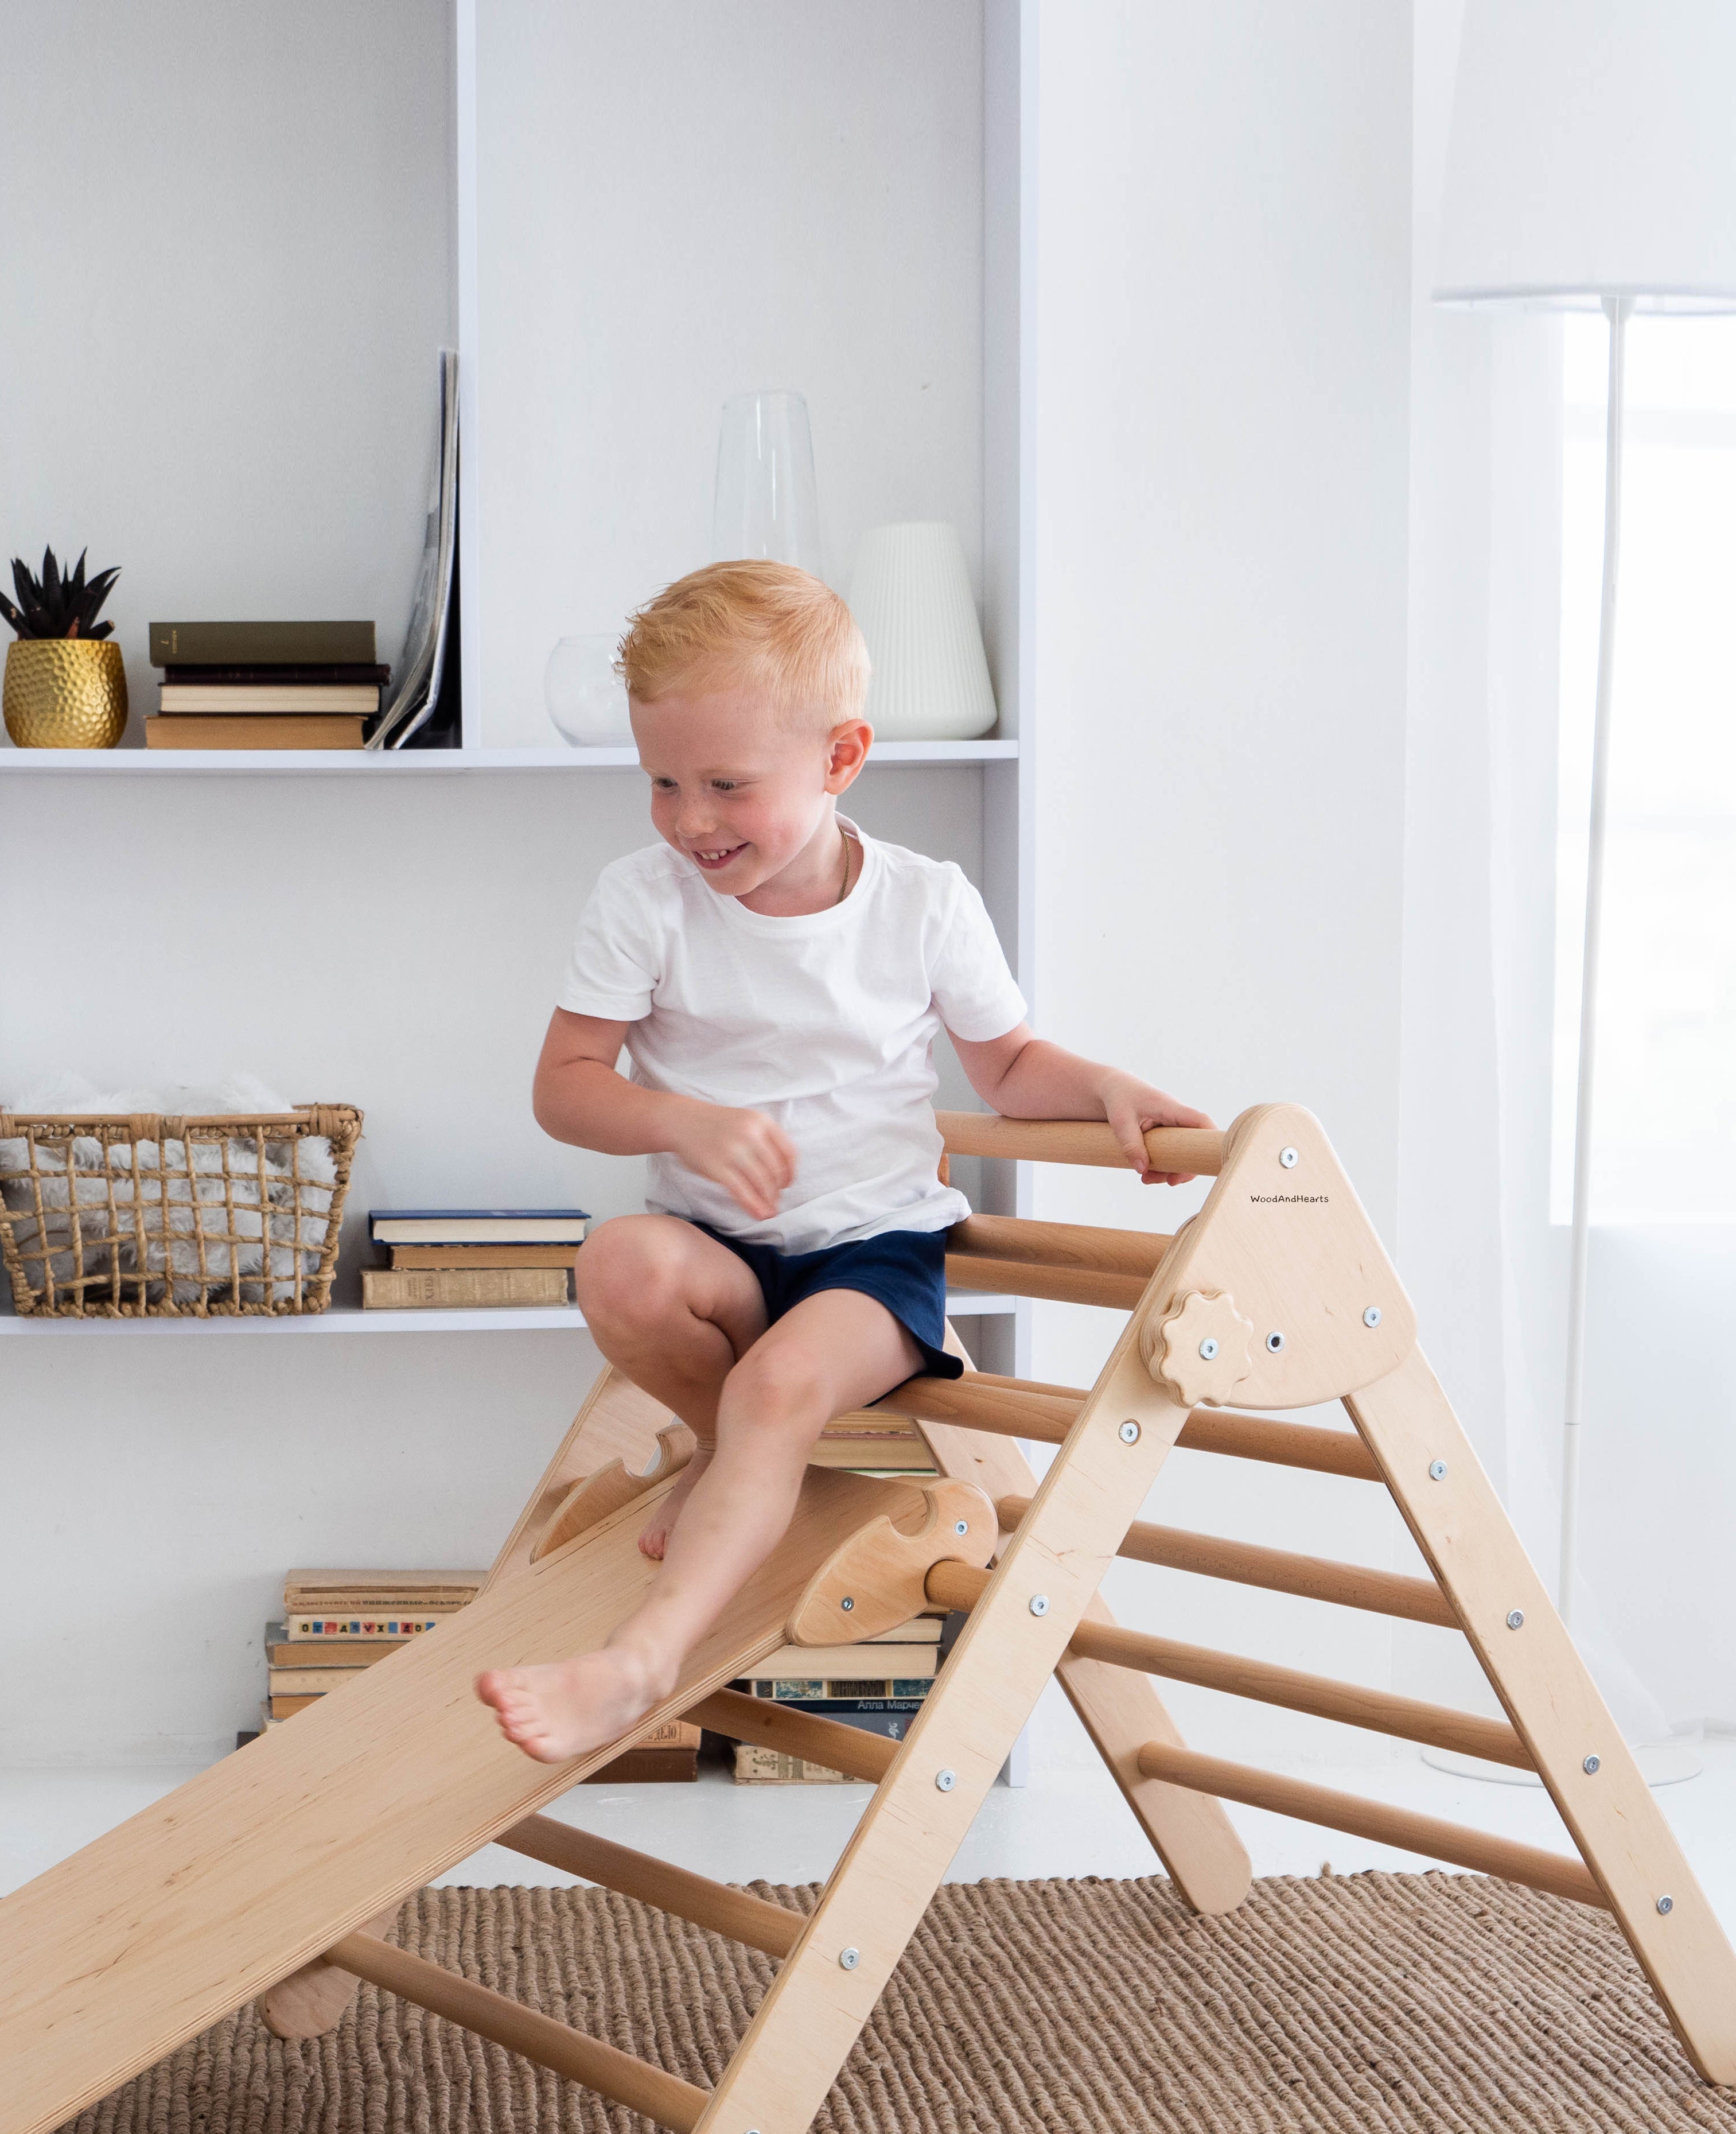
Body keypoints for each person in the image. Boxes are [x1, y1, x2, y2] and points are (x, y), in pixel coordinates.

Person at [477, 561, 1210, 1762]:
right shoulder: (641, 901)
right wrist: (684, 1122)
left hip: (873, 1255)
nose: (690, 820)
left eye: (726, 785)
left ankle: (637, 1662)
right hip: (718, 1252)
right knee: (618, 1266)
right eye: (661, 781)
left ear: (841, 757)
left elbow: (1011, 1066)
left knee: (778, 1392)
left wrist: (1112, 1089)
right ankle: (739, 1467)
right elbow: (567, 1089)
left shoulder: (923, 903)